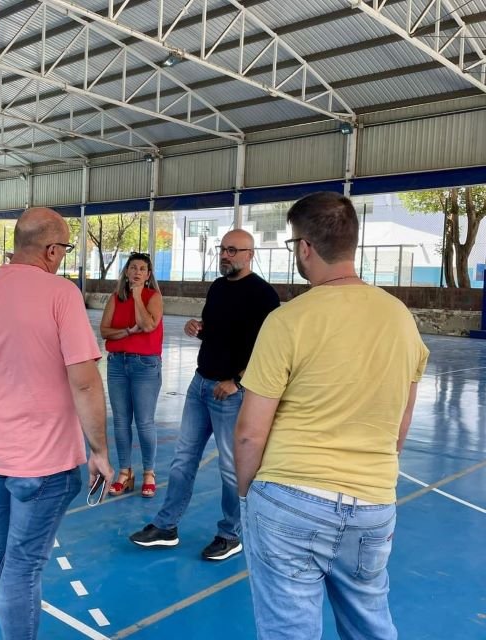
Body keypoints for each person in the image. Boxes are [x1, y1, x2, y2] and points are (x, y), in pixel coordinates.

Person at [234, 192, 430, 640]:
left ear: (305, 247)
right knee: (370, 625)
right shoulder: (401, 319)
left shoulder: (288, 320)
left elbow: (249, 433)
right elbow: (400, 426)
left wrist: (248, 497)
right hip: (372, 503)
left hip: (290, 497)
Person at [0, 207, 113, 640]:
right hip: (43, 461)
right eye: (64, 248)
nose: (63, 256)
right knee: (23, 567)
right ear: (51, 249)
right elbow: (84, 383)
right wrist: (99, 451)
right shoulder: (60, 293)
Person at [130, 229, 280, 560]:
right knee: (183, 459)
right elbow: (218, 332)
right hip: (200, 385)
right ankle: (166, 526)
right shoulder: (217, 287)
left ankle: (231, 533)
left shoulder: (264, 296)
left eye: (232, 250)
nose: (225, 255)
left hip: (230, 393)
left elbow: (269, 351)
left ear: (249, 254)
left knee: (231, 467)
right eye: (222, 249)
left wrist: (237, 381)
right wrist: (197, 328)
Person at [100, 252, 164, 498]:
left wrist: (138, 296)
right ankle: (125, 473)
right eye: (133, 267)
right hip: (117, 364)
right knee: (120, 421)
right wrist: (127, 331)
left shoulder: (153, 297)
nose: (137, 272)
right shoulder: (115, 298)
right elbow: (105, 331)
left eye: (142, 269)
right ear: (126, 272)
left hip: (145, 366)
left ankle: (149, 472)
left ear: (148, 275)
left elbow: (148, 325)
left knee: (145, 422)